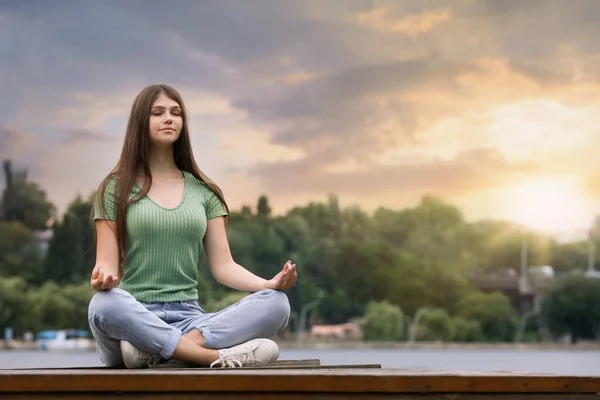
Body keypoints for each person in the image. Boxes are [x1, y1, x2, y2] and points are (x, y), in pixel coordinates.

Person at [87, 84, 296, 369]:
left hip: (190, 319)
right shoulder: (115, 188)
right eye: (157, 113)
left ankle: (159, 349)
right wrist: (102, 280)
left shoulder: (204, 192)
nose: (169, 118)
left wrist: (267, 285)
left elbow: (223, 266)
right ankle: (213, 358)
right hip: (134, 318)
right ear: (140, 122)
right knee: (103, 305)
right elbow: (106, 266)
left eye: (176, 113)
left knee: (277, 303)